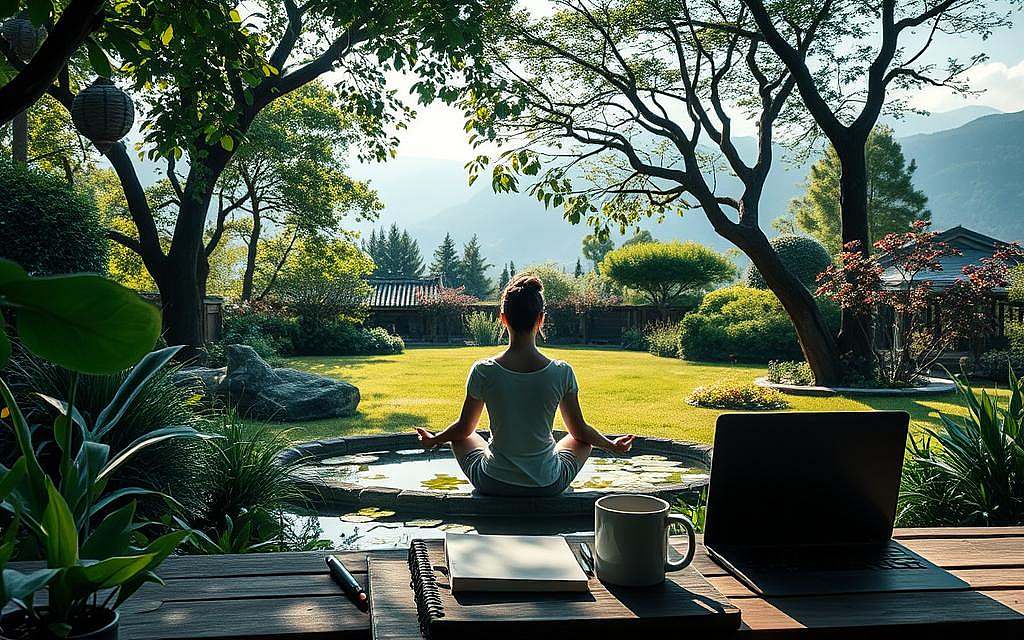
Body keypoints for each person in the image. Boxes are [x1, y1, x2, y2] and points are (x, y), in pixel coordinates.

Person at [415, 273, 636, 497]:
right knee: (581, 441)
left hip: (493, 482)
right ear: (540, 319)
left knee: (461, 437)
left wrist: (434, 440)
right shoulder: (562, 372)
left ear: (503, 318)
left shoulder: (484, 370)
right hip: (546, 484)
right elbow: (580, 431)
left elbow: (464, 428)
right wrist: (611, 445)